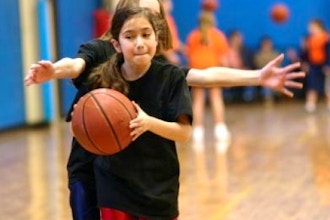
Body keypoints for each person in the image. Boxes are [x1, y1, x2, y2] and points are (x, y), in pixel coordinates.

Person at [24, 0, 305, 219]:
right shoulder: (101, 50)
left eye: (154, 18)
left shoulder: (160, 69)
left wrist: (257, 76)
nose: (146, 19)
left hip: (143, 170)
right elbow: (75, 65)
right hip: (92, 161)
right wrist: (53, 72)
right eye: (141, 10)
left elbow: (203, 76)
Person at [87, 7, 192, 219]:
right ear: (116, 44)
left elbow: (184, 133)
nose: (139, 43)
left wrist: (149, 123)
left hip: (158, 185)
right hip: (114, 185)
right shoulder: (102, 78)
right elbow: (78, 125)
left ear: (157, 39)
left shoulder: (171, 77)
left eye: (146, 34)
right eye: (129, 36)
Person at [185, 10, 230, 142]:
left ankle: (198, 132)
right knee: (216, 98)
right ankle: (220, 130)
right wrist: (227, 73)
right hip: (213, 70)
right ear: (213, 22)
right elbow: (223, 59)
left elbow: (189, 55)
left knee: (198, 101)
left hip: (197, 70)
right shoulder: (218, 36)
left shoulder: (192, 36)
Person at [304, 19, 330, 112]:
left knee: (328, 86)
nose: (309, 28)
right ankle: (311, 104)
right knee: (312, 84)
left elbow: (328, 51)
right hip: (313, 65)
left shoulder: (326, 37)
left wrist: (328, 64)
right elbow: (307, 53)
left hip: (324, 64)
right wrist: (306, 63)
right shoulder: (310, 38)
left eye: (312, 26)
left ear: (318, 26)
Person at [253, 35, 280, 104]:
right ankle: (267, 99)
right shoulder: (258, 55)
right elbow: (258, 65)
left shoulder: (275, 54)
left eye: (268, 43)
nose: (267, 45)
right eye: (265, 44)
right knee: (266, 83)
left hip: (275, 75)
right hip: (262, 76)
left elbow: (278, 66)